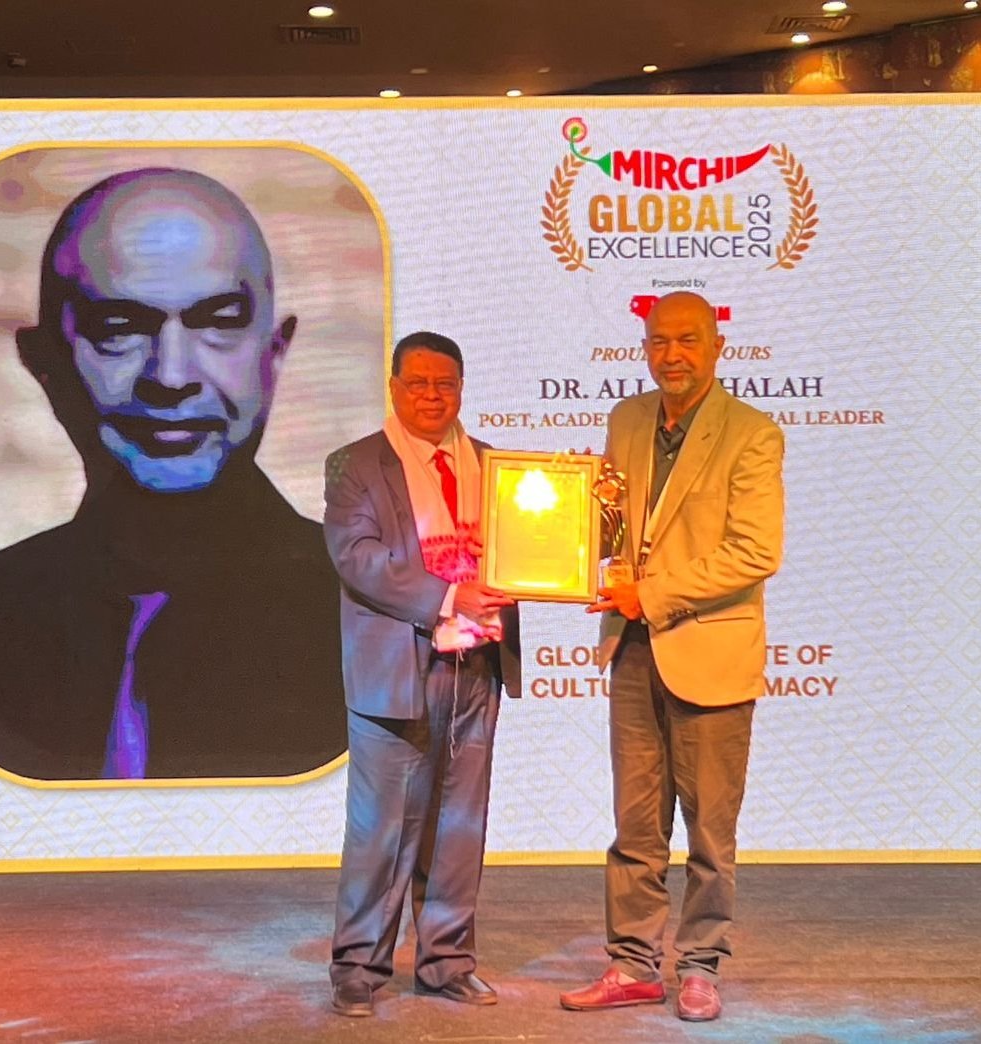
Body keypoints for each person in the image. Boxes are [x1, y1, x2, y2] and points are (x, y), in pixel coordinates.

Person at [0, 167, 346, 781]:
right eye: (119, 330)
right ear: (44, 363)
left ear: (275, 353)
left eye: (219, 322)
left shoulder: (371, 617)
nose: (171, 375)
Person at [559, 291, 785, 1023]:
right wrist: (572, 509)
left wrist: (649, 595)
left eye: (688, 340)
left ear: (718, 346)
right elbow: (614, 531)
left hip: (708, 655)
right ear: (645, 348)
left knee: (709, 834)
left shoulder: (752, 433)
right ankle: (631, 964)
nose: (672, 354)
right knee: (635, 827)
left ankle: (699, 967)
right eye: (659, 341)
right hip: (632, 652)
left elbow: (754, 551)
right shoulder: (626, 419)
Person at [325, 331, 521, 1018]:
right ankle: (358, 967)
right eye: (418, 383)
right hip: (397, 672)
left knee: (459, 827)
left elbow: (532, 546)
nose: (432, 396)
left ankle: (446, 963)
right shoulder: (356, 464)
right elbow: (357, 557)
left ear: (460, 389)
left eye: (445, 384)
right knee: (382, 830)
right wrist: (448, 596)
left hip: (476, 667)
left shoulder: (495, 465)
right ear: (394, 388)